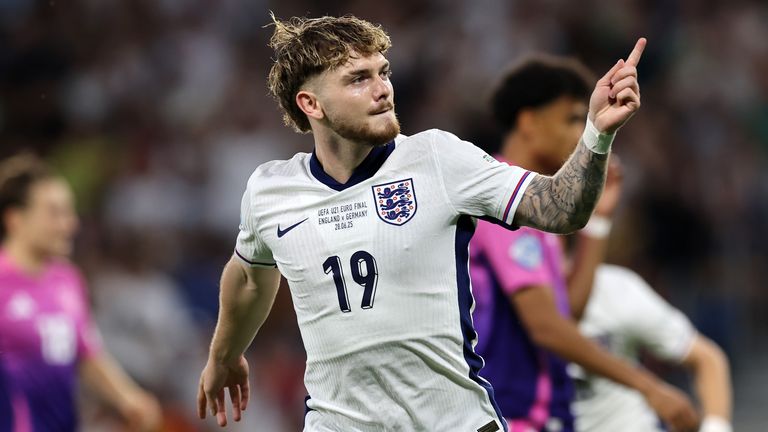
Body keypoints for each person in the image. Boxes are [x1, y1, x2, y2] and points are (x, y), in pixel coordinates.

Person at [197, 14, 645, 431]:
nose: (383, 89)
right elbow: (249, 277)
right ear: (310, 103)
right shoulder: (271, 190)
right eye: (359, 78)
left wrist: (597, 133)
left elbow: (560, 209)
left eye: (384, 72)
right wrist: (224, 355)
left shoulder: (437, 157)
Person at [470, 55, 698, 432]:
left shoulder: (539, 208)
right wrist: (647, 385)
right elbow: (546, 327)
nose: (581, 133)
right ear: (528, 122)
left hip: (543, 416)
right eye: (572, 119)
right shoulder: (500, 199)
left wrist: (598, 223)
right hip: (509, 413)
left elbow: (567, 314)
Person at [0, 153, 162, 432]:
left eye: (69, 212)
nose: (70, 224)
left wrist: (128, 398)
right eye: (55, 213)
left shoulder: (68, 279)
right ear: (15, 219)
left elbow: (86, 351)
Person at [570, 264, 733, 432]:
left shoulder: (616, 291)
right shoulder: (551, 322)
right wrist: (650, 389)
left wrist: (715, 428)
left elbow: (707, 358)